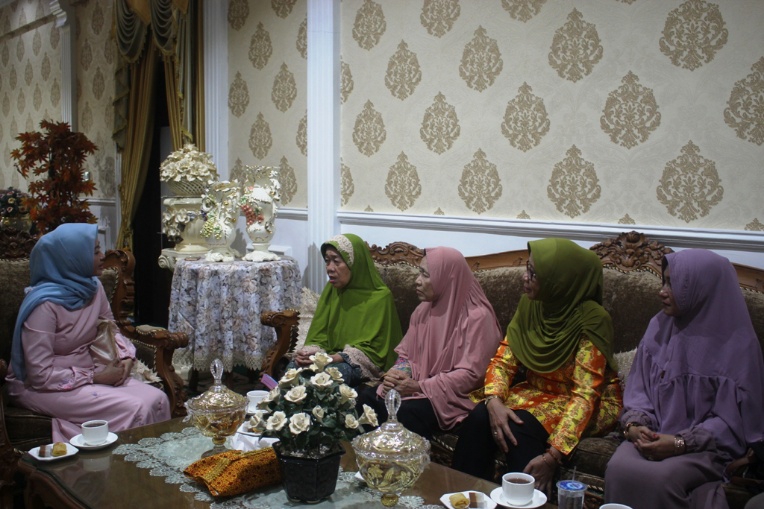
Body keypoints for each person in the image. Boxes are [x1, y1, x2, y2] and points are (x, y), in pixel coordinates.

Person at [452, 238, 623, 494]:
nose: (525, 277)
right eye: (527, 269)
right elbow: (503, 360)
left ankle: (527, 499)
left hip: (584, 401)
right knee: (479, 416)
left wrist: (553, 455)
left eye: (533, 273)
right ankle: (464, 497)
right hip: (536, 391)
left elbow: (585, 394)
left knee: (521, 425)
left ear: (559, 280)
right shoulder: (530, 305)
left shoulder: (593, 319)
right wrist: (494, 400)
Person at [604, 249, 764, 509]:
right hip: (653, 435)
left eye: (673, 284)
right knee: (618, 468)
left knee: (658, 479)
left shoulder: (739, 346)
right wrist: (635, 425)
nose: (662, 291)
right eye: (664, 281)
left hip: (706, 449)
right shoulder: (659, 326)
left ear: (702, 289)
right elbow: (639, 391)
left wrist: (680, 443)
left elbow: (732, 424)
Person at [6, 223, 171, 442]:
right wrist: (95, 376)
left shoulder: (93, 287)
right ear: (72, 259)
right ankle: (121, 464)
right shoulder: (44, 305)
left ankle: (156, 463)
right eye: (95, 252)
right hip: (41, 386)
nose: (102, 257)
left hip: (90, 371)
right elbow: (39, 375)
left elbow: (110, 328)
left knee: (158, 398)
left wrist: (125, 357)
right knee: (135, 407)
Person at [356, 247, 502, 439]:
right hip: (419, 385)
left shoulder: (478, 317)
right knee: (368, 398)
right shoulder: (422, 310)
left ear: (446, 279)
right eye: (419, 273)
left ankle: (409, 460)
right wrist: (397, 374)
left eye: (425, 275)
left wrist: (420, 386)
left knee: (408, 411)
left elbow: (472, 375)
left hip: (455, 395)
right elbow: (407, 355)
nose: (417, 281)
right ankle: (368, 457)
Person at [291, 233, 403, 386]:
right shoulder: (332, 290)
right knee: (294, 369)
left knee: (334, 374)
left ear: (354, 264)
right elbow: (319, 335)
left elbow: (377, 350)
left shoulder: (380, 297)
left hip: (360, 362)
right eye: (327, 261)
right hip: (329, 356)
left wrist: (335, 358)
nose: (330, 268)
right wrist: (311, 352)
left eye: (336, 261)